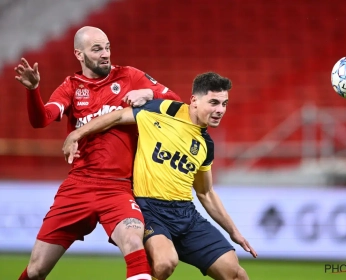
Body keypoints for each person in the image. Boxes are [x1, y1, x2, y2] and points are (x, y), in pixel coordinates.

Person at [14, 26, 181, 280]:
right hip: (78, 187)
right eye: (97, 49)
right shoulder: (71, 87)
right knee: (36, 270)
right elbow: (42, 119)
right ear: (79, 54)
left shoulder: (130, 77)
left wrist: (149, 93)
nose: (105, 54)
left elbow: (177, 103)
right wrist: (33, 91)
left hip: (118, 188)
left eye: (107, 47)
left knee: (134, 244)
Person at [63, 72, 258, 280]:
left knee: (236, 274)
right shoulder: (164, 110)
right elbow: (118, 116)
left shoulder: (206, 145)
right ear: (194, 101)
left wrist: (233, 231)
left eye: (224, 104)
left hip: (185, 214)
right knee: (165, 263)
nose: (220, 110)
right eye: (214, 102)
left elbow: (205, 192)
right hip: (150, 209)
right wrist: (76, 134)